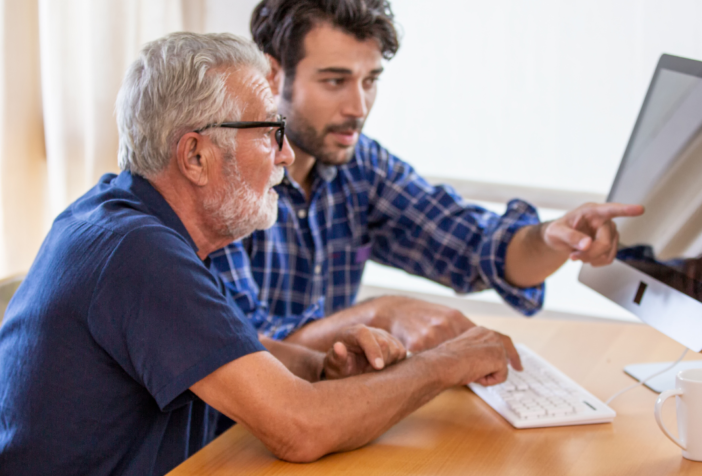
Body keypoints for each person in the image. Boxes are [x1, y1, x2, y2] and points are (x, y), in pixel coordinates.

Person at [0, 31, 524, 475]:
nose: (287, 154)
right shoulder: (137, 253)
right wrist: (447, 364)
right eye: (271, 132)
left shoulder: (127, 218)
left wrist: (320, 367)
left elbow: (225, 356)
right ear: (196, 155)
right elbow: (300, 429)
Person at [209, 0, 643, 353]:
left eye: (370, 80)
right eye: (335, 81)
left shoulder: (360, 167)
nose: (358, 106)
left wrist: (552, 237)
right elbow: (247, 349)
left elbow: (477, 249)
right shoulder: (221, 182)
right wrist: (380, 314)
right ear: (272, 73)